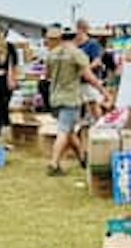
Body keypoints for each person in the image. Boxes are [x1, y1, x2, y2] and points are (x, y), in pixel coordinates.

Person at [44, 26, 108, 176]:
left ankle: (82, 158)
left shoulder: (52, 54)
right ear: (75, 38)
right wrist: (103, 92)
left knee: (70, 131)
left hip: (54, 96)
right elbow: (89, 77)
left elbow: (47, 75)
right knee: (64, 131)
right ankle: (53, 164)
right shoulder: (77, 54)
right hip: (70, 97)